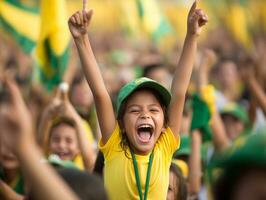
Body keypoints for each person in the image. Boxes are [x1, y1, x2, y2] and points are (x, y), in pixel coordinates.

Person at [68, 1, 208, 199]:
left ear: (164, 123)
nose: (145, 114)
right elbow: (100, 93)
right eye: (135, 110)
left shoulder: (164, 147)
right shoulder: (114, 145)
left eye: (153, 110)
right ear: (122, 124)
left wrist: (192, 35)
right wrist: (82, 39)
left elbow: (179, 92)